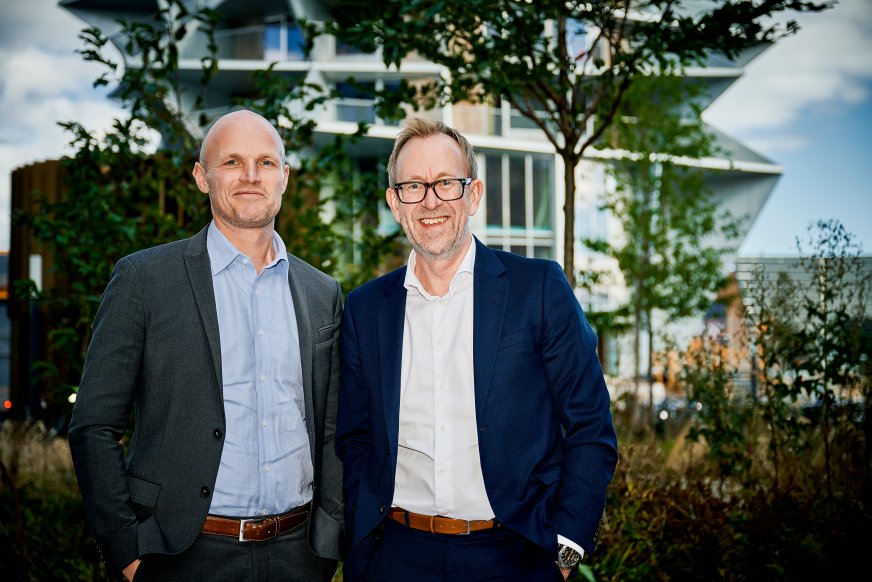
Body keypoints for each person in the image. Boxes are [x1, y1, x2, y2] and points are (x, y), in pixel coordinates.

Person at [336, 117, 619, 581]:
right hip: (397, 556)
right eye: (413, 186)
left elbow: (590, 425)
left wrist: (566, 555)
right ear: (394, 202)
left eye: (446, 183)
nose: (430, 200)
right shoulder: (365, 310)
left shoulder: (538, 289)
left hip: (516, 555)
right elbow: (354, 439)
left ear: (473, 195)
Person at [68, 109, 343, 582]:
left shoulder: (322, 292)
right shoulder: (144, 279)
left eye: (265, 162)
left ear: (284, 177)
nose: (251, 176)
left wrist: (331, 534)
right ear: (202, 176)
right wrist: (127, 550)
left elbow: (334, 428)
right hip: (183, 555)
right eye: (232, 162)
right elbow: (93, 424)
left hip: (299, 557)